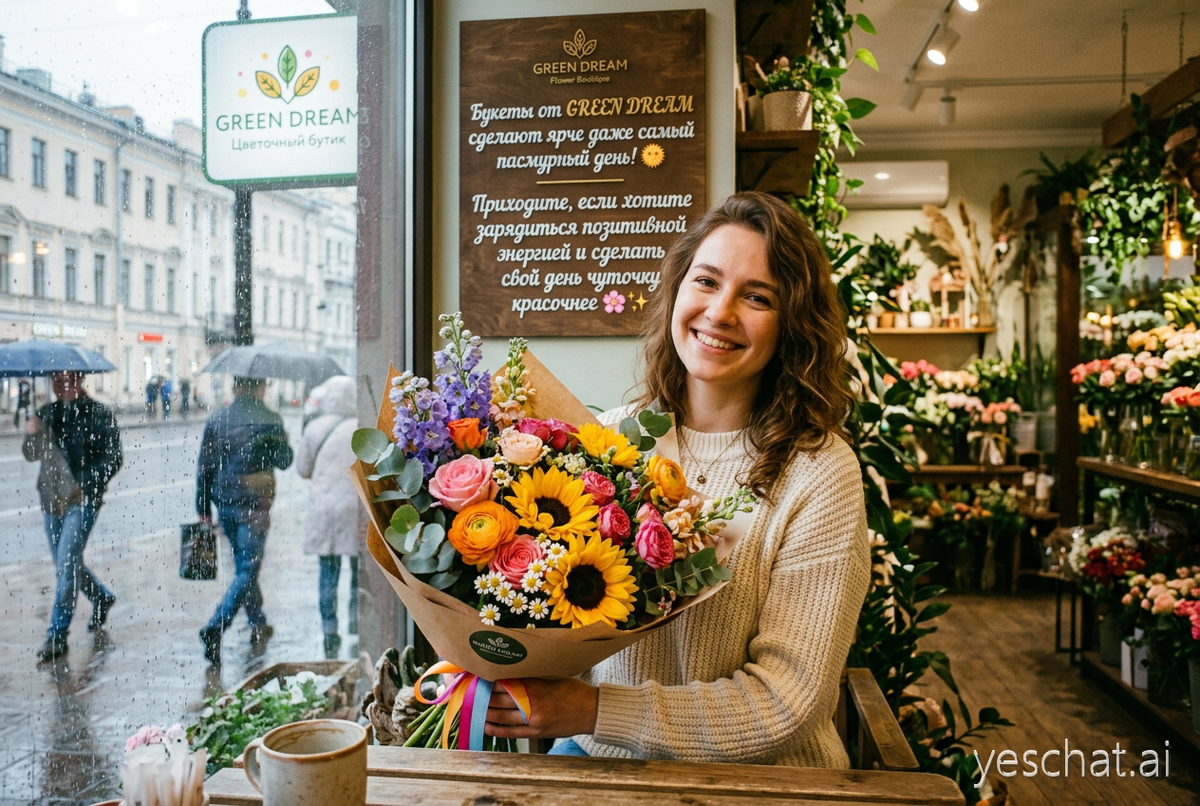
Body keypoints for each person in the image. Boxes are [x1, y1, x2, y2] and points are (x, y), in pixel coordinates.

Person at [483, 192, 871, 767]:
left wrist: (592, 711)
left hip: (762, 782)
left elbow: (787, 704)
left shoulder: (820, 472)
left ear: (792, 324)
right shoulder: (608, 441)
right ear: (678, 290)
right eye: (707, 281)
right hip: (600, 762)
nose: (720, 312)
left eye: (757, 296)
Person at [23, 370, 123, 663]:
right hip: (51, 500)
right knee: (68, 564)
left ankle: (57, 635)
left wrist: (86, 483)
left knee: (66, 566)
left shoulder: (98, 414)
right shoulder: (47, 413)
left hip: (82, 501)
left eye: (66, 379)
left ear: (80, 380)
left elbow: (114, 457)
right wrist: (32, 433)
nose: (60, 385)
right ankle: (101, 597)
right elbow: (32, 454)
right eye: (55, 380)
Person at [196, 375, 294, 665]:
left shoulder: (218, 418)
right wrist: (272, 442)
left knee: (244, 566)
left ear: (235, 386)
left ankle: (258, 621)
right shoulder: (270, 418)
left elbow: (205, 466)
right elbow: (285, 461)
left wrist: (202, 508)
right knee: (248, 569)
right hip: (256, 504)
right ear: (259, 386)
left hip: (224, 501)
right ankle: (215, 627)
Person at [295, 376, 360, 658]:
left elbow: (302, 469)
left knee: (328, 572)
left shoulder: (313, 428)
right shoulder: (360, 427)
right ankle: (357, 625)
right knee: (359, 572)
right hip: (355, 509)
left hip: (324, 509)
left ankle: (329, 631)